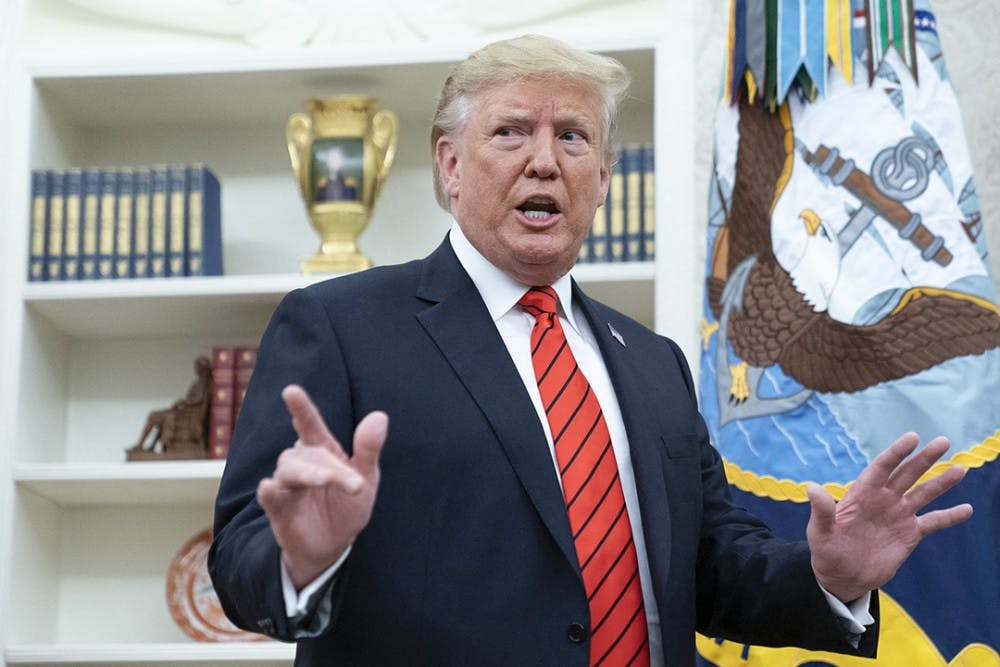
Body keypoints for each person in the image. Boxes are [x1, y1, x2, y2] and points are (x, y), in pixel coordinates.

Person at [209, 35, 973, 666]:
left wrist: (827, 578)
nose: (545, 161)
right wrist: (297, 558)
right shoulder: (340, 325)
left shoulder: (652, 362)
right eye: (511, 131)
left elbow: (708, 568)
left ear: (603, 179)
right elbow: (241, 553)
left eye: (572, 137)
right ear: (448, 164)